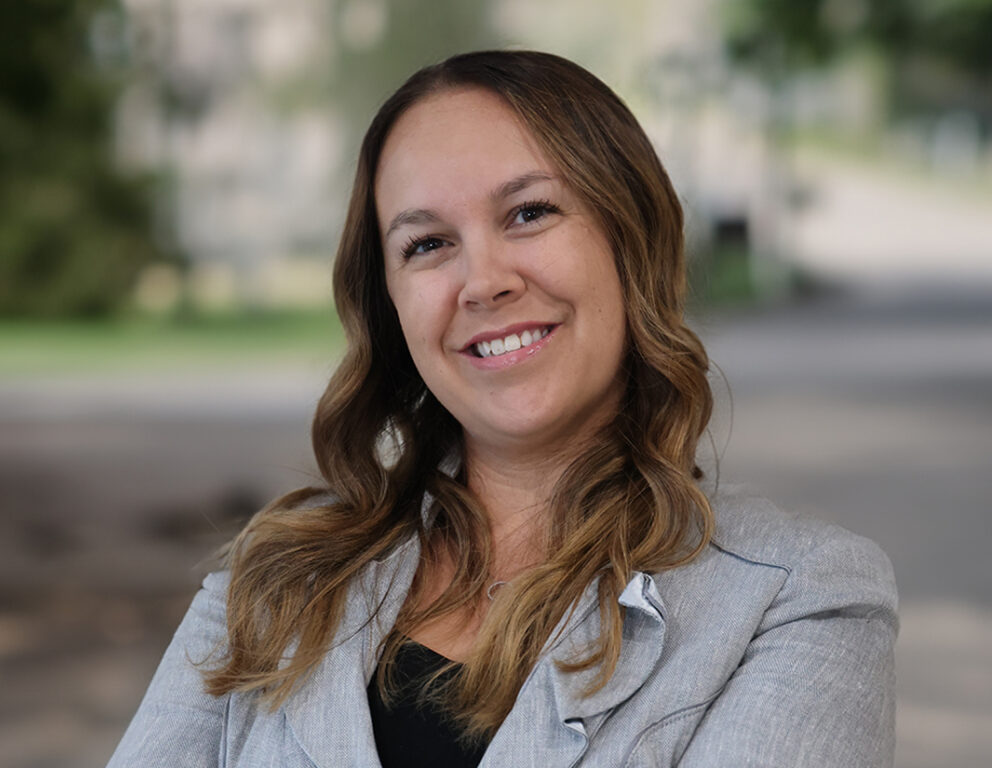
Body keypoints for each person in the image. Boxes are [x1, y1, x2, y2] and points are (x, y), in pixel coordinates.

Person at [107, 50, 897, 767]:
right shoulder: (273, 581)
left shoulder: (798, 602)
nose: (483, 282)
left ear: (632, 238)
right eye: (427, 244)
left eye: (529, 213)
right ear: (391, 308)